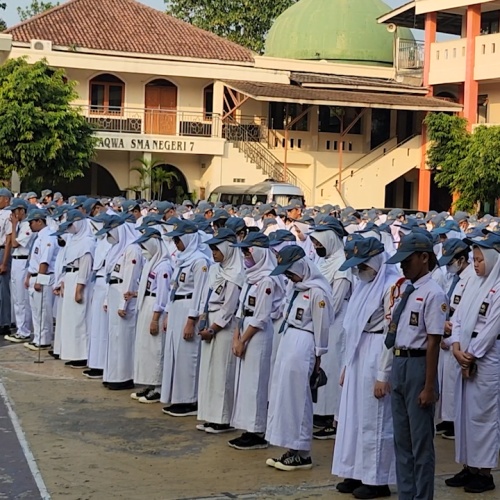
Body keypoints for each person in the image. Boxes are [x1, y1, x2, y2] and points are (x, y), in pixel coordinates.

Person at [333, 237, 400, 499]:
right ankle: (354, 470)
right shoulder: (364, 285)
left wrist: (384, 374)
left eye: (363, 265)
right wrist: (346, 365)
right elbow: (352, 327)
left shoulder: (391, 285)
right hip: (358, 354)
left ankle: (376, 479)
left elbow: (390, 332)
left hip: (377, 352)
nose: (360, 271)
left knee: (375, 418)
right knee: (354, 417)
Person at [384, 232, 448, 499]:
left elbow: (433, 342)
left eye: (408, 260)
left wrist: (429, 386)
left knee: (421, 443)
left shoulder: (433, 293)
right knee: (402, 440)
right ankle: (406, 494)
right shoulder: (406, 289)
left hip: (419, 365)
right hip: (400, 362)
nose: (403, 266)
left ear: (424, 258)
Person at [265, 245, 333, 471]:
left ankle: (302, 451)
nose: (288, 276)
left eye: (290, 271)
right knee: (284, 395)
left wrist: (319, 355)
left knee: (299, 397)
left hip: (304, 343)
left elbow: (322, 326)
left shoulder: (317, 291)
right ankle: (291, 446)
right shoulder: (295, 287)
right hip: (289, 339)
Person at [446, 232, 500, 494]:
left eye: (480, 259)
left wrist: (471, 356)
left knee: (483, 414)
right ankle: (468, 465)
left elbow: (491, 328)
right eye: (474, 259)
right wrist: (456, 347)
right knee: (464, 412)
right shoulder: (472, 284)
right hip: (464, 352)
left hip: (485, 357)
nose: (476, 264)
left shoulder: (498, 287)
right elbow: (457, 319)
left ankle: (484, 471)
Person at [228, 232, 282, 450]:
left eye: (248, 251)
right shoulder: (251, 277)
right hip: (244, 330)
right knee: (245, 382)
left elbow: (261, 315)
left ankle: (257, 430)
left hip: (257, 334)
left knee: (256, 382)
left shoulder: (267, 278)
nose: (245, 255)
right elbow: (241, 310)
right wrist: (236, 337)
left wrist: (243, 339)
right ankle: (247, 427)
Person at [309, 216, 353, 439]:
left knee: (334, 366)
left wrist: (319, 319)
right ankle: (319, 412)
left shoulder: (342, 264)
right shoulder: (321, 262)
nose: (316, 246)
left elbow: (335, 301)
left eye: (320, 242)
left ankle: (332, 416)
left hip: (336, 323)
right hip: (320, 322)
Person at [161, 219, 210, 417]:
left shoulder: (199, 261)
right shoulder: (183, 259)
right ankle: (177, 395)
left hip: (189, 307)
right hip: (177, 306)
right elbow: (174, 287)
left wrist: (191, 320)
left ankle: (189, 399)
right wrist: (168, 314)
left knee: (188, 356)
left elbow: (199, 293)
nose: (176, 244)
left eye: (178, 240)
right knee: (175, 354)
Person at [196, 228, 243, 433]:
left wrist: (213, 329)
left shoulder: (235, 273)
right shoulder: (217, 269)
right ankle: (210, 414)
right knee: (209, 371)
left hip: (224, 326)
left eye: (217, 249)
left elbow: (229, 307)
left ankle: (223, 418)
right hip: (211, 320)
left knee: (222, 371)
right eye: (212, 249)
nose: (213, 253)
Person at [97, 214, 144, 390]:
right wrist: (108, 299)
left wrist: (123, 304)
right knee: (113, 337)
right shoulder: (116, 248)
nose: (109, 236)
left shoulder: (132, 249)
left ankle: (124, 376)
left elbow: (130, 279)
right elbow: (111, 276)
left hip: (124, 296)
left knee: (123, 337)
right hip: (114, 291)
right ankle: (112, 374)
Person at [436, 238, 474, 441]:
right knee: (446, 380)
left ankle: (453, 420)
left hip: (458, 335)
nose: (449, 266)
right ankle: (447, 418)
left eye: (451, 261)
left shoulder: (470, 278)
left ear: (461, 259)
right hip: (448, 331)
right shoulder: (456, 278)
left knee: (454, 381)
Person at [130, 228, 172, 404]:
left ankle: (158, 386)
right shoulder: (151, 263)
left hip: (155, 308)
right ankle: (149, 382)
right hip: (146, 304)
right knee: (145, 348)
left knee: (156, 348)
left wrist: (155, 319)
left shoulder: (163, 266)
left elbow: (162, 294)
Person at [55, 210, 95, 368]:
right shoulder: (73, 240)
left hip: (79, 281)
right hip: (70, 278)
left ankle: (82, 355)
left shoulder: (87, 242)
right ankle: (72, 353)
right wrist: (63, 281)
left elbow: (85, 267)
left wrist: (79, 289)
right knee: (70, 320)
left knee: (80, 320)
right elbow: (66, 262)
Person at [25, 208, 59, 350]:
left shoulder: (48, 236)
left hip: (43, 276)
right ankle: (38, 337)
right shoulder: (39, 236)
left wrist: (39, 279)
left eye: (32, 222)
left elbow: (45, 260)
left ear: (39, 221)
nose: (30, 225)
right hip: (34, 274)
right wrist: (28, 276)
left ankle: (44, 339)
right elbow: (34, 259)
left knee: (43, 309)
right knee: (35, 309)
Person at [5, 198, 34, 343]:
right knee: (16, 298)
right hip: (16, 261)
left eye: (15, 211)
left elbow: (15, 243)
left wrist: (14, 225)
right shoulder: (20, 225)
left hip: (23, 261)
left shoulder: (27, 226)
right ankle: (19, 328)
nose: (13, 215)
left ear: (22, 211)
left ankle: (25, 330)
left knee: (22, 299)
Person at [0, 188, 12, 337]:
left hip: (2, 250)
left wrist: (4, 262)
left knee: (3, 290)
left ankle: (5, 322)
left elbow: (8, 240)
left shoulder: (8, 214)